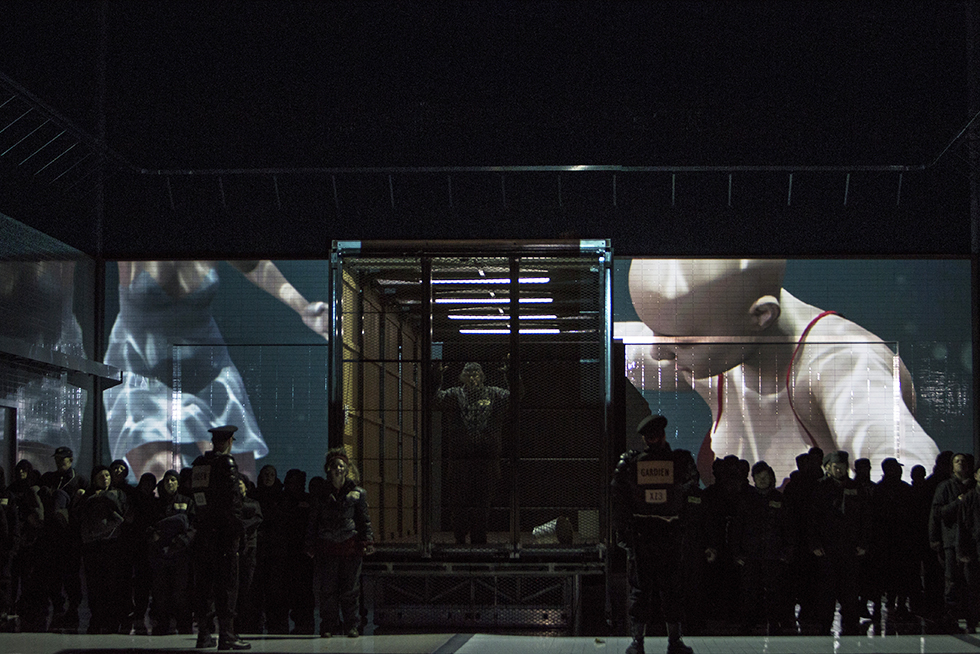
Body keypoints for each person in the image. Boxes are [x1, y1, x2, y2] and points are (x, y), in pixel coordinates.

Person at [621, 259, 941, 486]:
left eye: (683, 342)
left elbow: (910, 464)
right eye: (655, 332)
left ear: (761, 315)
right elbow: (628, 354)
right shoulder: (719, 349)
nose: (658, 352)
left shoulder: (844, 362)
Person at [104, 260, 331, 482]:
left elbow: (256, 265)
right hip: (142, 371)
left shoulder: (213, 235)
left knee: (240, 480)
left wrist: (302, 307)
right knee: (160, 475)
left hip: (210, 370)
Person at [611, 414, 697, 654]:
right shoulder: (675, 461)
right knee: (656, 588)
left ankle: (649, 642)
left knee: (654, 588)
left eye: (653, 435)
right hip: (654, 533)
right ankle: (662, 641)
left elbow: (618, 496)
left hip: (653, 533)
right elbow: (619, 497)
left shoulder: (635, 462)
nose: (652, 439)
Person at [434, 359, 517, 544]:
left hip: (485, 458)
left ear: (482, 377)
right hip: (461, 459)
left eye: (476, 374)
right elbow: (435, 399)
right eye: (469, 375)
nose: (473, 378)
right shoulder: (455, 394)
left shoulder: (493, 394)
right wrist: (436, 377)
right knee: (459, 502)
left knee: (482, 502)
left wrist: (511, 375)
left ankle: (478, 536)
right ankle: (460, 536)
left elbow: (515, 396)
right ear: (463, 377)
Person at [190, 425, 250, 650]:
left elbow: (197, 497)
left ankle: (203, 634)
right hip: (225, 534)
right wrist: (238, 531)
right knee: (227, 584)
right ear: (229, 441)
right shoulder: (227, 464)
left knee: (204, 584)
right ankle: (227, 635)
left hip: (204, 533)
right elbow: (233, 502)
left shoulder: (199, 464)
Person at [305, 448, 375, 638]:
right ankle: (328, 626)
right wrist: (310, 544)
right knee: (327, 590)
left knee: (350, 590)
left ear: (346, 469)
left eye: (341, 466)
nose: (338, 469)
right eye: (334, 466)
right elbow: (313, 520)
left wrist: (367, 541)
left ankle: (351, 625)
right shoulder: (320, 494)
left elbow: (364, 520)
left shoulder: (358, 493)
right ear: (328, 469)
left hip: (350, 546)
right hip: (327, 546)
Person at [807, 451, 870, 635]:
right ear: (829, 468)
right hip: (827, 548)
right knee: (826, 590)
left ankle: (850, 623)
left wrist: (863, 543)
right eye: (836, 467)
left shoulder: (856, 488)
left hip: (850, 548)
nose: (839, 470)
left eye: (842, 467)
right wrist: (814, 544)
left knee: (850, 590)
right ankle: (824, 624)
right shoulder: (820, 488)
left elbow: (865, 518)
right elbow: (812, 520)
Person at [730, 461, 792, 634]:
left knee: (774, 591)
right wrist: (736, 553)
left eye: (766, 477)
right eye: (759, 477)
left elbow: (788, 529)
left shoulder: (779, 499)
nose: (763, 480)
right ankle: (748, 623)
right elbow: (736, 528)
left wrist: (786, 553)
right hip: (750, 555)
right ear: (754, 479)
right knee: (749, 591)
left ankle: (774, 623)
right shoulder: (746, 500)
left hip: (773, 554)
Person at [930, 452, 976, 631]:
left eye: (963, 461)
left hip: (970, 541)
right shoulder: (945, 487)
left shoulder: (973, 486)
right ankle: (951, 613)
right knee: (952, 579)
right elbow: (938, 513)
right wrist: (934, 538)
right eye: (957, 462)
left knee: (969, 580)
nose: (961, 464)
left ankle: (968, 613)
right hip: (951, 540)